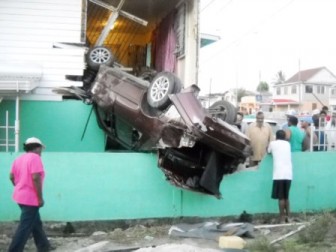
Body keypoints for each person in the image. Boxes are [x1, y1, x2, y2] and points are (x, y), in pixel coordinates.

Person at [8, 137, 54, 252]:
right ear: (37, 148)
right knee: (25, 227)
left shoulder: (19, 159)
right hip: (30, 199)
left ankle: (44, 247)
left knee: (35, 223)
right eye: (41, 148)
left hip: (19, 196)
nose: (41, 151)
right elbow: (35, 178)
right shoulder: (35, 158)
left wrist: (19, 185)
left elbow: (11, 176)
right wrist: (40, 198)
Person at [267, 130, 293, 223]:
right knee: (286, 197)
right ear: (284, 137)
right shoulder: (288, 144)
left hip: (278, 174)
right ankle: (289, 217)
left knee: (281, 198)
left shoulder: (273, 143)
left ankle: (282, 218)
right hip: (289, 174)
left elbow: (268, 152)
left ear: (276, 137)